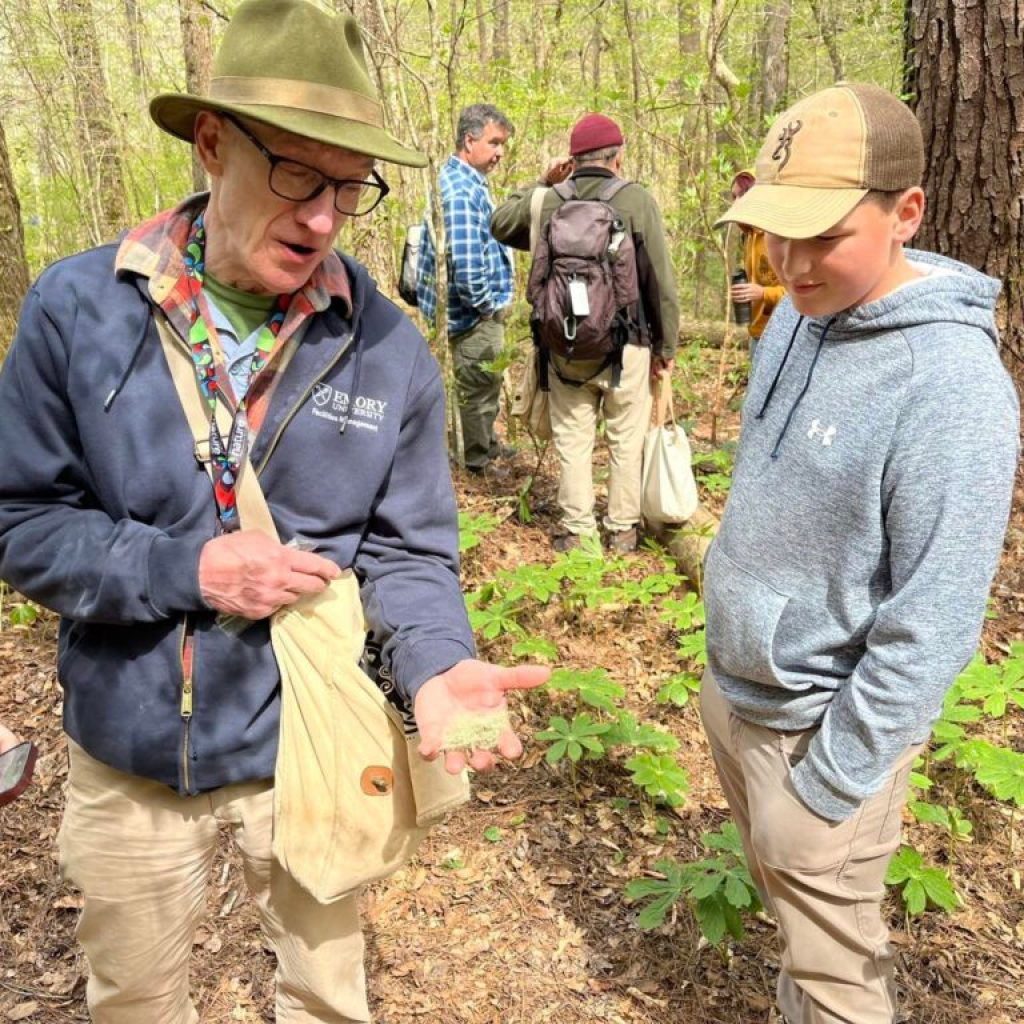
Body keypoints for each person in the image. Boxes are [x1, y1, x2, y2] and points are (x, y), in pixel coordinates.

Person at [0, 2, 547, 1020]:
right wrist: (187, 571)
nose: (324, 218)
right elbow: (23, 520)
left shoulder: (385, 350)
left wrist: (434, 663)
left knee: (327, 996)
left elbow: (409, 553)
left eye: (350, 187)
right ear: (212, 143)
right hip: (128, 749)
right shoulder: (79, 310)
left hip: (311, 740)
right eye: (298, 174)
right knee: (132, 999)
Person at [704, 83, 1018, 1024]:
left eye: (824, 235)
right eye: (776, 232)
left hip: (820, 733)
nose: (792, 263)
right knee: (799, 947)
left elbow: (936, 619)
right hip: (741, 694)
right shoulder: (801, 311)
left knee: (838, 977)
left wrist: (831, 782)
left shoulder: (951, 386)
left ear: (905, 211)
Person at [491, 113, 680, 553]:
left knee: (573, 440)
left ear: (572, 160)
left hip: (565, 346)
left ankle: (578, 532)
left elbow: (500, 223)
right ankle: (622, 530)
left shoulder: (549, 201)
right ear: (618, 157)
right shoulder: (636, 200)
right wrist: (665, 345)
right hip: (628, 344)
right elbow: (660, 280)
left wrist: (543, 181)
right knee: (626, 439)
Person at [416, 103, 515, 477]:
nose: (500, 152)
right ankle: (477, 462)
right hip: (472, 316)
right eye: (494, 143)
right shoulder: (459, 190)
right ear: (469, 141)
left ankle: (485, 443)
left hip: (475, 314)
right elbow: (466, 261)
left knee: (485, 385)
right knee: (477, 387)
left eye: (502, 144)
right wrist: (485, 306)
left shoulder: (470, 182)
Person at [728, 169, 786, 345]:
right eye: (734, 196)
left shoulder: (779, 236)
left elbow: (798, 292)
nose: (736, 202)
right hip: (757, 331)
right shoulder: (749, 235)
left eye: (743, 195)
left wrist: (763, 293)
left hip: (780, 332)